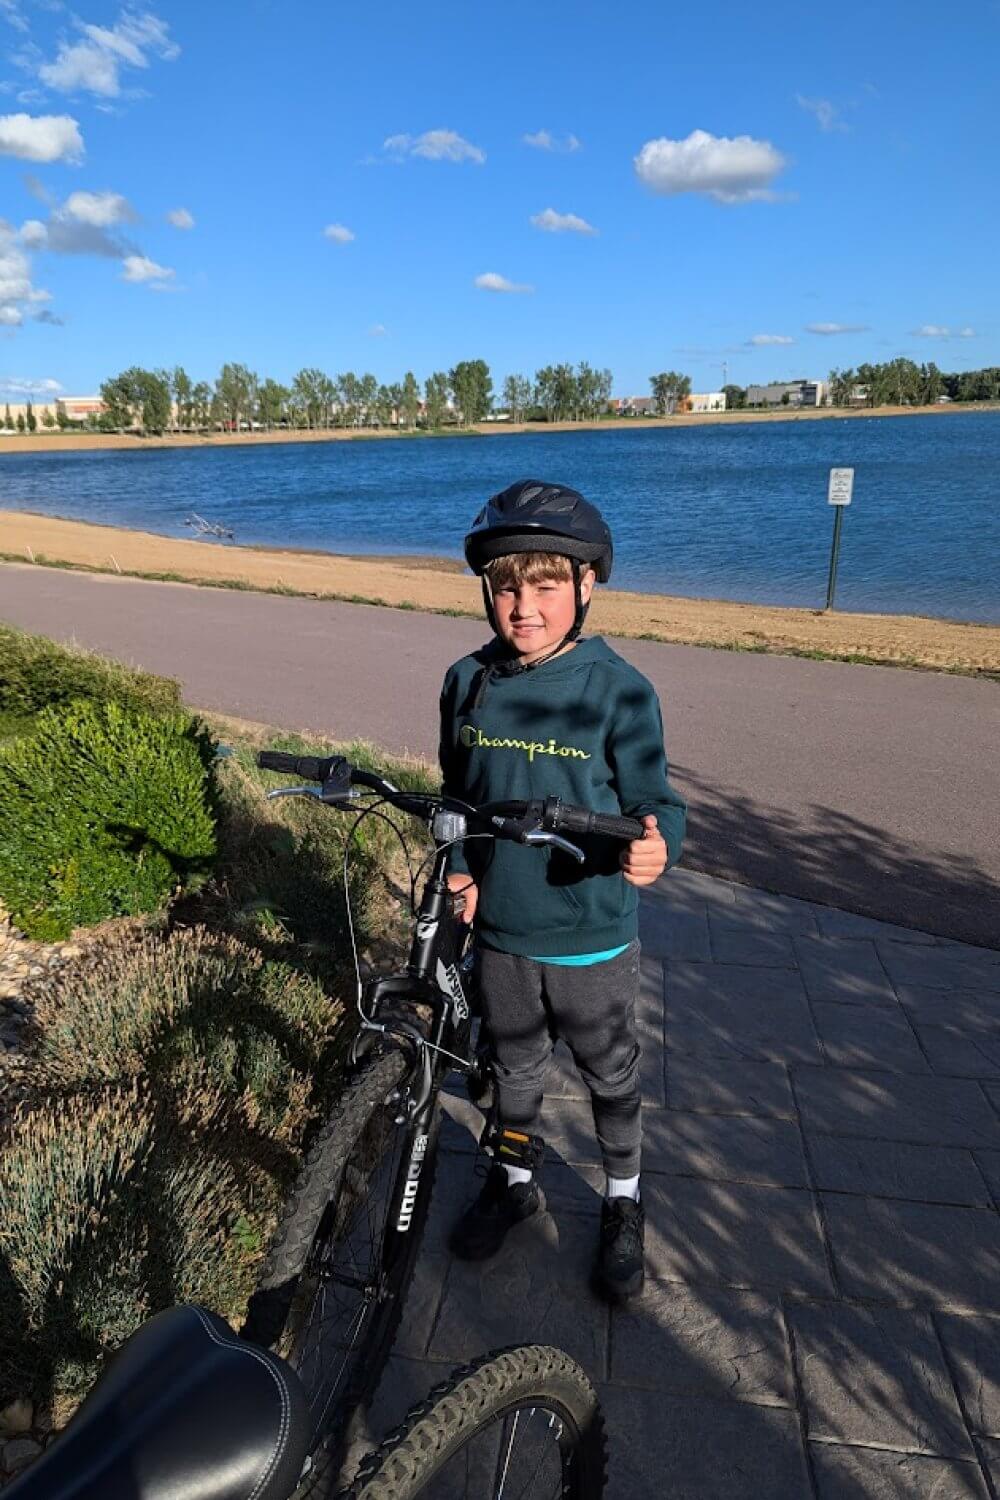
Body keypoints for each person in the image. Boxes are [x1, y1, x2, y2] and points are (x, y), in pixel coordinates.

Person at [438, 478, 687, 1300]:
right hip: (503, 932)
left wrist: (658, 846)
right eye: (507, 586)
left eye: (546, 585)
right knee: (513, 1071)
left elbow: (656, 802)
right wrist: (463, 868)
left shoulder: (617, 689)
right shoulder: (465, 682)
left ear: (586, 587)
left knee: (611, 1072)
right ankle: (514, 1184)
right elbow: (457, 794)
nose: (524, 606)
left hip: (591, 935)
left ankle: (623, 1199)